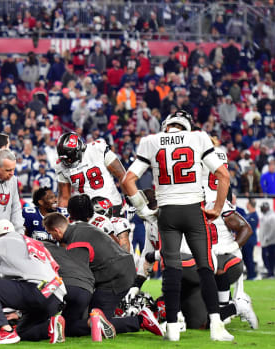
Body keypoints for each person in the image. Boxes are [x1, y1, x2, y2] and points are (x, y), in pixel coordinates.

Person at [120, 110, 233, 341]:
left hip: (167, 212)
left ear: (166, 126)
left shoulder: (151, 141)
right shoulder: (198, 138)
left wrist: (144, 209)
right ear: (187, 126)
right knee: (205, 267)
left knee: (171, 270)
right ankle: (216, 326)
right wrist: (217, 209)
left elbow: (127, 180)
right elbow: (224, 176)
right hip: (194, 209)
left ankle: (171, 329)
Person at [43, 196, 163, 339]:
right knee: (82, 322)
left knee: (95, 322)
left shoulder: (76, 243)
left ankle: (140, 320)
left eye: (51, 234)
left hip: (115, 278)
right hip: (119, 270)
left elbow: (81, 277)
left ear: (56, 231)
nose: (52, 238)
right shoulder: (79, 227)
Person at [0, 219, 67, 344]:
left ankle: (5, 332)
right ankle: (51, 326)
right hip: (56, 295)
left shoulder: (0, 242)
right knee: (22, 332)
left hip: (37, 290)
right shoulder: (34, 242)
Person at [55, 132, 126, 216]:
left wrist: (128, 199)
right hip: (87, 213)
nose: (67, 161)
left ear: (79, 149)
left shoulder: (97, 149)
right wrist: (62, 218)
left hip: (113, 204)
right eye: (65, 158)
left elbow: (122, 175)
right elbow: (64, 197)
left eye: (70, 157)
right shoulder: (61, 166)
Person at [243, 199, 259, 280]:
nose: (246, 205)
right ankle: (250, 274)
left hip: (250, 240)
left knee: (249, 258)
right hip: (245, 240)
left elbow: (250, 228)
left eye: (247, 204)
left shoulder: (254, 216)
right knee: (245, 258)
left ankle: (252, 275)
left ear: (250, 205)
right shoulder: (247, 215)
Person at [259, 202, 275, 278]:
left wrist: (268, 237)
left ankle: (271, 273)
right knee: (265, 258)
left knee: (270, 258)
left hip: (271, 242)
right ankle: (270, 272)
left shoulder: (272, 216)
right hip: (265, 242)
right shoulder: (264, 216)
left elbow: (273, 229)